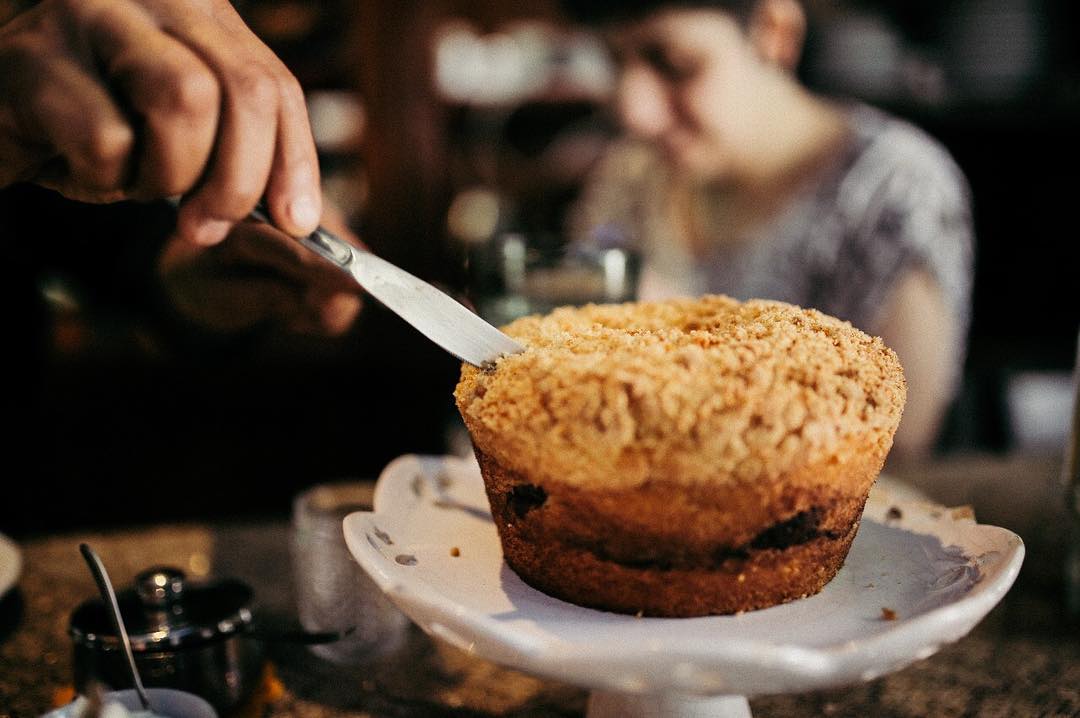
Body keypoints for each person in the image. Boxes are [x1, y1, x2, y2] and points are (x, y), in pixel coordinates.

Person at [562, 0, 974, 459]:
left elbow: (895, 443)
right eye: (614, 61)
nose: (634, 111)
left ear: (774, 33)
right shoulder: (629, 177)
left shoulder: (891, 189)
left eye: (676, 65)